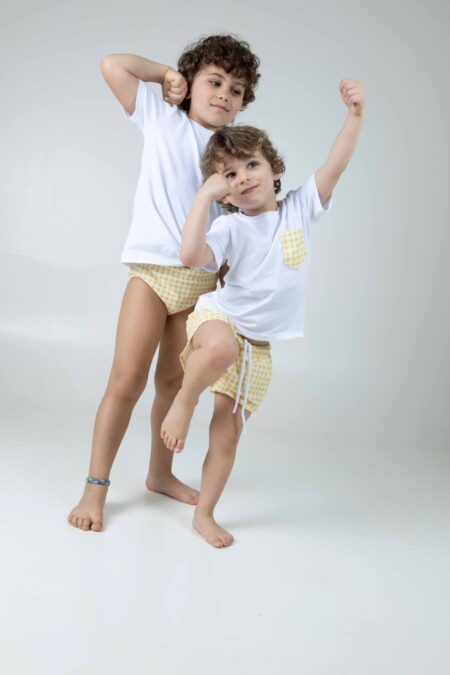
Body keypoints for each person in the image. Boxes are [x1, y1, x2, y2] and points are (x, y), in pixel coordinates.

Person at [160, 80, 365, 547]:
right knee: (221, 347)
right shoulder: (230, 227)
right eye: (230, 175)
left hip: (257, 350)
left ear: (275, 171)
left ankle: (204, 515)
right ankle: (184, 401)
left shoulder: (300, 210)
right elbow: (190, 256)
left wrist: (354, 116)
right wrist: (202, 199)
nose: (243, 177)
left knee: (227, 436)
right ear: (225, 194)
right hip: (218, 324)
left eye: (251, 164)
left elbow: (336, 163)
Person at [68, 35, 261, 532]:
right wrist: (164, 75)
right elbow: (112, 63)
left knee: (172, 384)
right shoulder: (163, 119)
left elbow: (236, 224)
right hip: (152, 275)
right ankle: (95, 488)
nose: (224, 95)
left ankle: (160, 474)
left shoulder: (234, 153)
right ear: (191, 83)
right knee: (126, 382)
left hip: (201, 284)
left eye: (236, 90)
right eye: (215, 82)